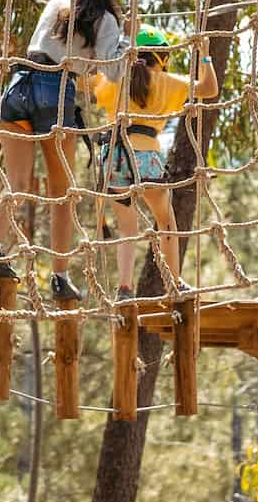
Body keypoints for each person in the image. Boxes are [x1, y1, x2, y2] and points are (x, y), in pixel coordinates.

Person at [0, 0, 129, 302]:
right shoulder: (106, 19)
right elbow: (114, 71)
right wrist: (126, 47)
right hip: (54, 92)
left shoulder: (58, 2)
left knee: (16, 181)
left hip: (18, 85)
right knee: (63, 195)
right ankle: (59, 276)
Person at [93, 26, 219, 301]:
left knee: (127, 227)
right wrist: (205, 55)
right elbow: (209, 89)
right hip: (147, 157)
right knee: (166, 222)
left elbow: (87, 83)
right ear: (161, 57)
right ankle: (174, 283)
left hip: (114, 157)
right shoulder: (168, 81)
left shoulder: (115, 80)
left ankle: (124, 288)